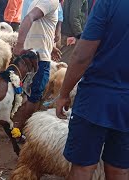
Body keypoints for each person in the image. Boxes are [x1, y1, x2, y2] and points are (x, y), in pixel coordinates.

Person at [56, 0, 129, 179]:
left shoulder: (109, 3)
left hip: (96, 99)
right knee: (120, 168)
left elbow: (82, 55)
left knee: (83, 167)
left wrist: (63, 94)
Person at [13, 0, 59, 132]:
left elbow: (40, 26)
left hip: (31, 55)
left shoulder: (38, 1)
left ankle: (16, 127)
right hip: (39, 59)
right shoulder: (51, 1)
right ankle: (18, 130)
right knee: (35, 96)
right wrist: (19, 44)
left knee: (27, 93)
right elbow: (29, 18)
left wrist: (52, 46)